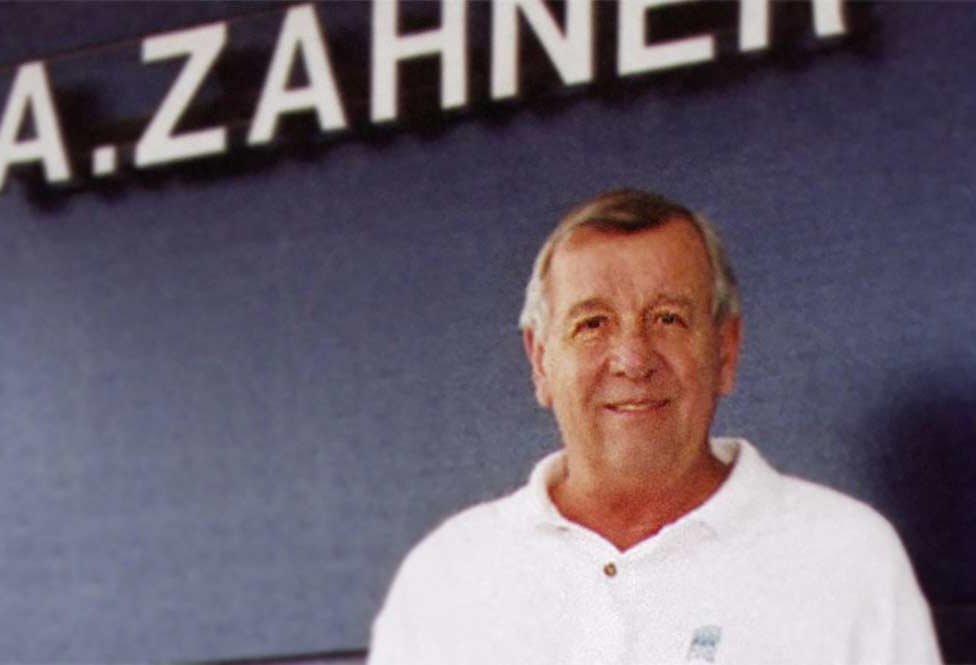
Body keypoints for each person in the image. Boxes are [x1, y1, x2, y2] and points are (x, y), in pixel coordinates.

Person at [368, 189, 941, 664]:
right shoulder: (445, 579)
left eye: (668, 319)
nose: (632, 359)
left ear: (725, 349)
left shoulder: (847, 558)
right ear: (540, 361)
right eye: (592, 324)